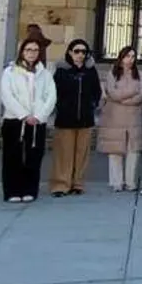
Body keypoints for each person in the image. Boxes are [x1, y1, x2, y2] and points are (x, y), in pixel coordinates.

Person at [0, 38, 56, 203]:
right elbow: (7, 95)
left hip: (37, 121)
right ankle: (12, 190)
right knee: (12, 157)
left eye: (35, 50)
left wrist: (39, 116)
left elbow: (51, 96)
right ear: (22, 52)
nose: (32, 53)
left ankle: (30, 189)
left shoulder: (44, 74)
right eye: (28, 50)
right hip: (15, 120)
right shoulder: (10, 72)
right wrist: (23, 114)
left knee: (34, 156)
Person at [49, 39, 102, 197]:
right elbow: (54, 92)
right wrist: (61, 106)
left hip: (85, 119)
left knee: (81, 154)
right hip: (65, 119)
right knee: (64, 154)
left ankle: (77, 183)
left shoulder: (90, 71)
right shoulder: (62, 71)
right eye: (77, 51)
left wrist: (92, 105)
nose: (80, 55)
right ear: (70, 52)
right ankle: (61, 184)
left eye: (83, 52)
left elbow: (97, 91)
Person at [99, 46, 142, 192]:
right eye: (127, 56)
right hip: (114, 117)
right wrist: (132, 92)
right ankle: (116, 182)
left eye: (133, 56)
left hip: (134, 117)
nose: (130, 60)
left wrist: (124, 99)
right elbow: (113, 93)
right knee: (115, 151)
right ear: (121, 58)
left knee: (133, 151)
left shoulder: (141, 75)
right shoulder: (112, 74)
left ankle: (131, 182)